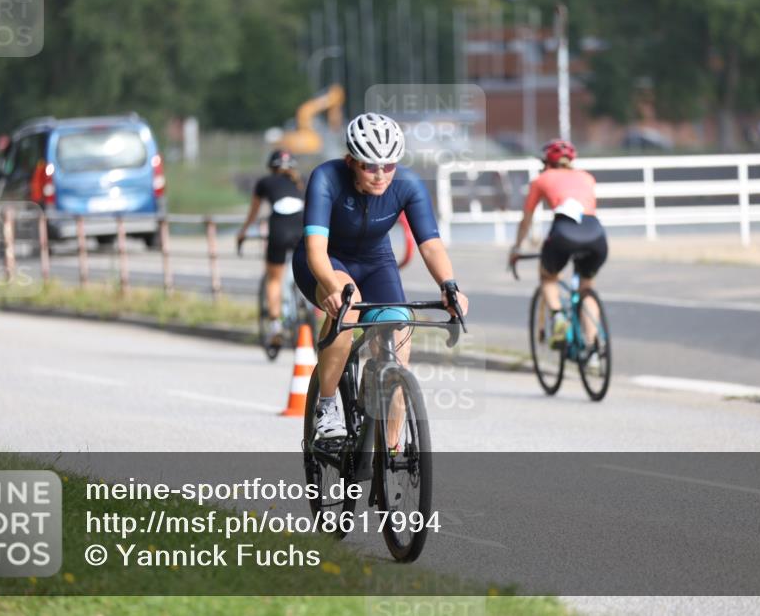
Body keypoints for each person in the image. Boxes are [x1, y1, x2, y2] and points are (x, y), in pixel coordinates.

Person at [294, 112, 469, 439]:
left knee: (399, 342)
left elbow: (430, 246)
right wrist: (331, 285)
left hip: (375, 262)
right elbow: (316, 249)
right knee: (349, 302)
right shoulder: (326, 178)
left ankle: (389, 456)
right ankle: (327, 405)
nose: (379, 174)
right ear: (350, 161)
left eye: (388, 166)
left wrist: (450, 287)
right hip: (324, 260)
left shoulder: (408, 184)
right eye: (369, 166)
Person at [508, 139, 607, 363]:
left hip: (564, 233)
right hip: (596, 234)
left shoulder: (541, 179)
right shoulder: (586, 177)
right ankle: (592, 350)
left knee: (548, 277)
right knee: (586, 287)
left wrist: (516, 248)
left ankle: (559, 315)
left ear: (546, 162)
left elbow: (526, 220)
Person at [236, 149, 305, 342]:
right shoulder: (301, 181)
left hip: (279, 228)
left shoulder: (264, 183)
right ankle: (310, 309)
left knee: (274, 279)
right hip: (301, 226)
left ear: (271, 167)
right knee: (309, 268)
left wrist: (242, 233)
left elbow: (253, 213)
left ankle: (276, 327)